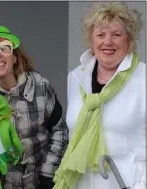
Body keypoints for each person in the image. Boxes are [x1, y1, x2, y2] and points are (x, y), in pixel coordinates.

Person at [53, 2, 146, 189]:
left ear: (129, 41)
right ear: (91, 40)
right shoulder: (76, 77)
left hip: (127, 184)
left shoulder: (143, 78)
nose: (108, 42)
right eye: (101, 35)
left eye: (117, 35)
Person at [0, 25, 69, 189]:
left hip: (44, 183)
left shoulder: (40, 85)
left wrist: (48, 175)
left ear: (15, 57)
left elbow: (60, 130)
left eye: (4, 48)